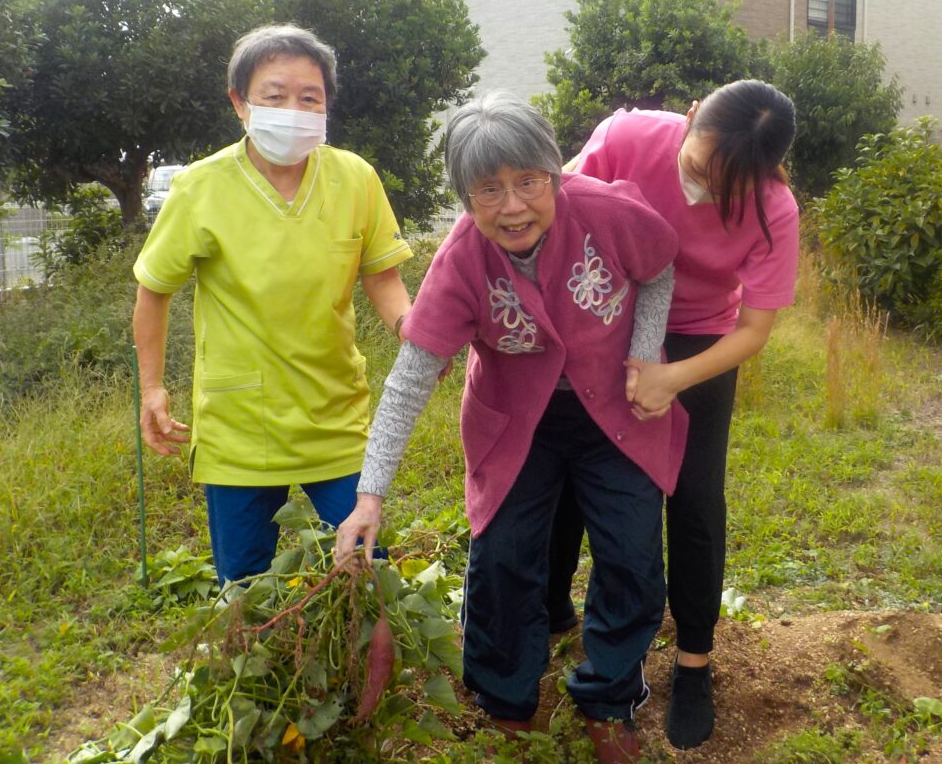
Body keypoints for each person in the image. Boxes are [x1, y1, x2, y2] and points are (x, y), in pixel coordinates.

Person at [334, 91, 688, 764]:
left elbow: (659, 268)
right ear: (466, 198)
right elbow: (411, 378)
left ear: (554, 173)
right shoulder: (461, 261)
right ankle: (506, 702)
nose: (513, 205)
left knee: (632, 554)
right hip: (515, 421)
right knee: (503, 558)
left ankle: (609, 700)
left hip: (615, 409)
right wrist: (369, 496)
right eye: (488, 190)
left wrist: (646, 353)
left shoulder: (607, 212)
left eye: (528, 181)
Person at [547, 79, 800, 750]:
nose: (705, 191)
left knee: (694, 498)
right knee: (579, 465)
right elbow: (558, 205)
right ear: (689, 117)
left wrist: (672, 378)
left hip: (699, 341)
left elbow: (753, 330)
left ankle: (693, 662)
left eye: (728, 186)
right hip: (607, 319)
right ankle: (550, 608)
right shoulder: (628, 136)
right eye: (699, 167)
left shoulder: (775, 209)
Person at [132, 24, 413, 587]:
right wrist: (152, 387)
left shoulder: (355, 179)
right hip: (241, 423)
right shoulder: (200, 188)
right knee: (244, 587)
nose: (294, 110)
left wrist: (412, 328)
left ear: (327, 105)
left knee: (363, 573)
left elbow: (382, 276)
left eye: (310, 98)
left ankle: (359, 644)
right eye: (275, 95)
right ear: (240, 103)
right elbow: (154, 289)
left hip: (334, 414)